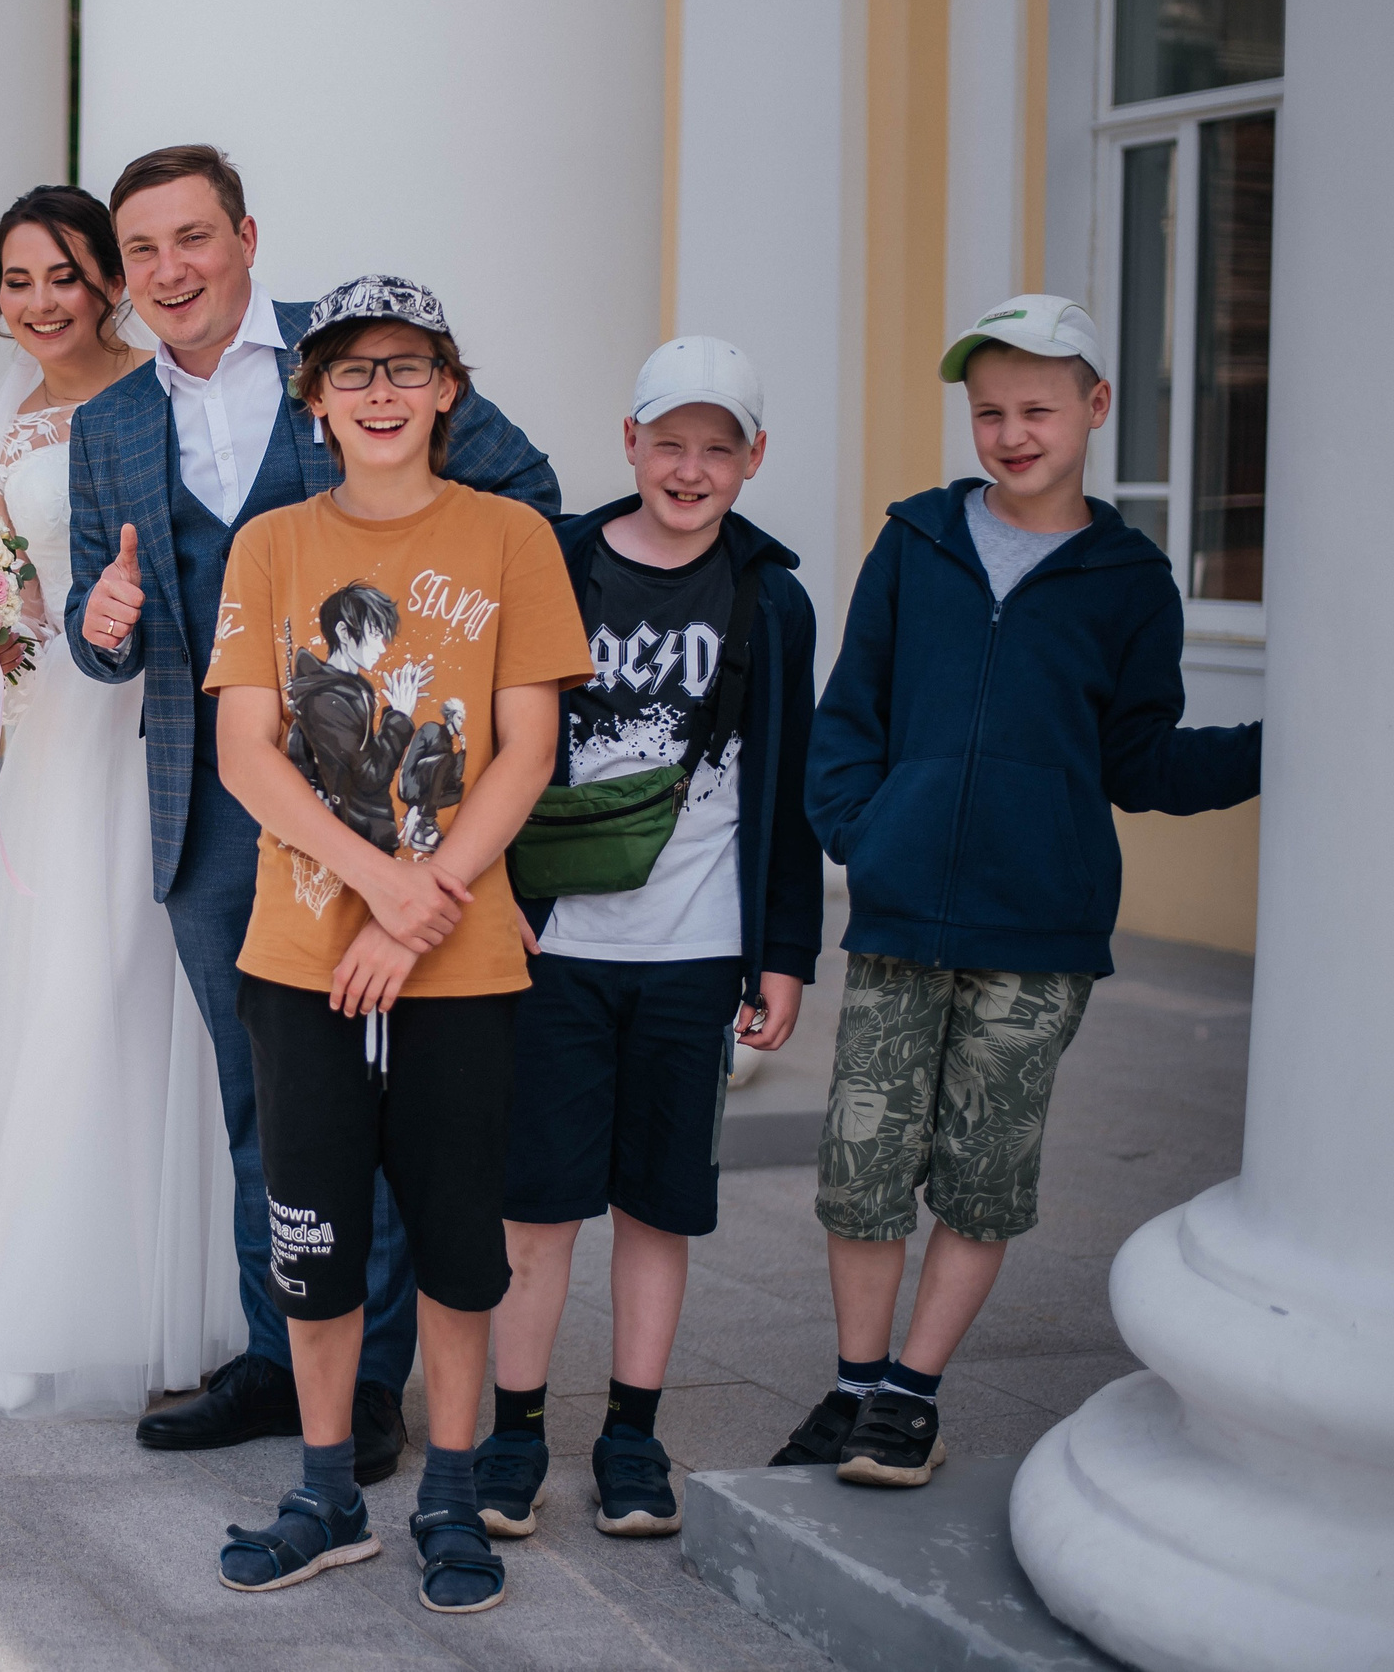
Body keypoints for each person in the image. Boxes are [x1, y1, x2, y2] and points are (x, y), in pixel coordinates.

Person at [63, 144, 564, 1481]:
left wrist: (441, 634)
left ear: (244, 238)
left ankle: (382, 1378)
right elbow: (96, 625)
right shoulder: (108, 426)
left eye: (193, 238)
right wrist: (99, 623)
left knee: (404, 1104)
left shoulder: (353, 356)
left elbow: (527, 491)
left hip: (398, 798)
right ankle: (290, 1357)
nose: (170, 271)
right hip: (218, 799)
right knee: (270, 1103)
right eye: (145, 251)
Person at [775, 295, 1261, 1485]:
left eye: (1037, 407)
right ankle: (849, 1383)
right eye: (988, 409)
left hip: (1037, 932)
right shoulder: (917, 540)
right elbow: (852, 714)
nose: (1010, 431)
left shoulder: (1128, 578)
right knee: (862, 1165)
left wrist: (1281, 743)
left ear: (1095, 407)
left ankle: (910, 1392)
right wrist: (864, 832)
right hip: (900, 915)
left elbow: (1139, 759)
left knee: (983, 1176)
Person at [203, 276, 593, 1612]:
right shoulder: (271, 547)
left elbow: (529, 744)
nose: (380, 389)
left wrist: (427, 904)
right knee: (308, 1234)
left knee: (454, 1239)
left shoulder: (510, 537)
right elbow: (247, 750)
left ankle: (451, 1491)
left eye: (407, 365)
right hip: (303, 950)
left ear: (448, 389)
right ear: (313, 400)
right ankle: (325, 1492)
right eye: (352, 369)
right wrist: (383, 887)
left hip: (463, 959)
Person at [0, 186, 241, 1418]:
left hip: (151, 726)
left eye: (61, 277)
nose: (37, 304)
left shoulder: (156, 399)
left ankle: (190, 1295)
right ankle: (38, 1293)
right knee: (53, 991)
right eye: (15, 283)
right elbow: (3, 582)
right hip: (50, 740)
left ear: (107, 283)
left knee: (151, 986)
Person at [473, 338, 821, 1543]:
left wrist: (783, 950)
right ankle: (514, 1429)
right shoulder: (551, 563)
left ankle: (632, 1431)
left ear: (752, 458)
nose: (688, 467)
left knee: (659, 1207)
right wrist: (489, 884)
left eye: (716, 446)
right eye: (667, 441)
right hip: (555, 945)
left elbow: (786, 789)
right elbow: (484, 738)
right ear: (627, 444)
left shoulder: (769, 599)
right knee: (536, 1208)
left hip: (694, 947)